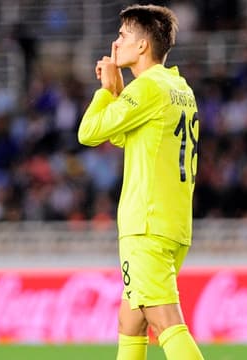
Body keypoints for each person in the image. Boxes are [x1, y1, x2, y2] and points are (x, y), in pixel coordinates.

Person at [78, 4, 203, 360]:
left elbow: (89, 132)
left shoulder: (147, 88)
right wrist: (119, 89)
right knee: (130, 322)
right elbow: (125, 138)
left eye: (123, 36)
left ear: (143, 46)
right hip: (173, 223)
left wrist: (105, 90)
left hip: (145, 224)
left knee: (166, 322)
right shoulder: (179, 87)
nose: (116, 43)